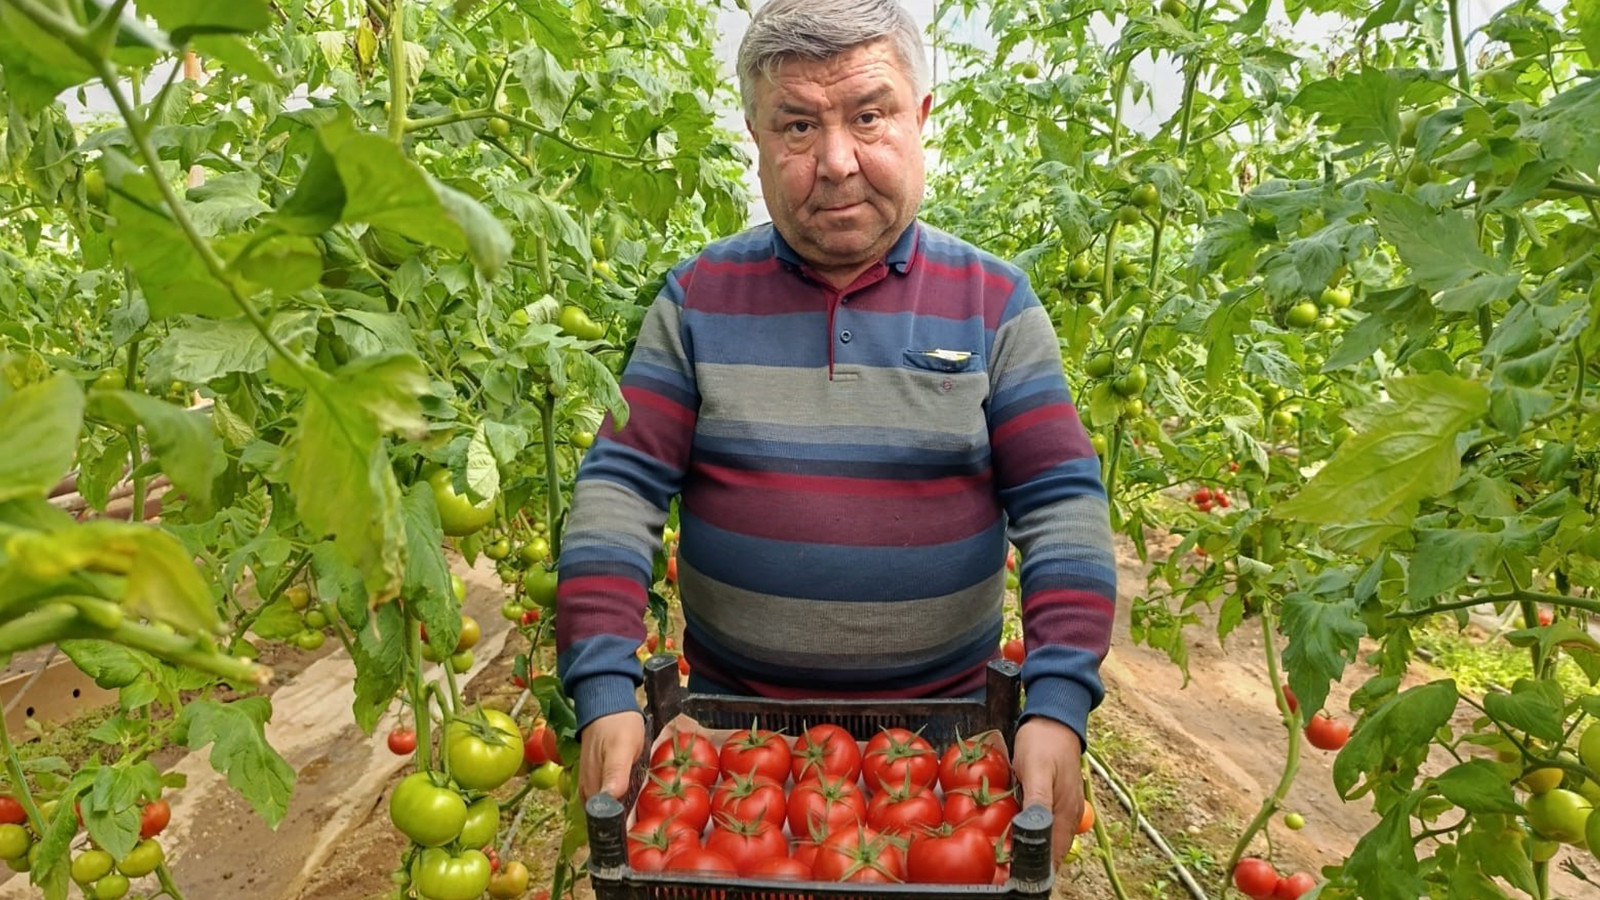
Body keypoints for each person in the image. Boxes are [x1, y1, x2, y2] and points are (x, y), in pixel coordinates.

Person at [554, 0, 1116, 862]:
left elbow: (1061, 502)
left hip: (942, 752)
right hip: (731, 755)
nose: (838, 161)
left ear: (920, 118)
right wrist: (604, 684)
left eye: (869, 114)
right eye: (798, 125)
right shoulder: (696, 299)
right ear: (755, 135)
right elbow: (620, 486)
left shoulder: (996, 305)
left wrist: (1055, 704)